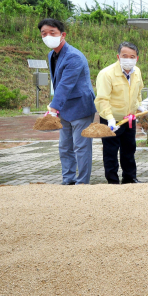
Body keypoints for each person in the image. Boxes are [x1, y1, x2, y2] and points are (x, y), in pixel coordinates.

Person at [39, 18, 96, 185]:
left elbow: (65, 85)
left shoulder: (74, 57)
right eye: (44, 34)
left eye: (52, 33)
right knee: (64, 147)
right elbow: (57, 84)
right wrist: (56, 106)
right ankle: (68, 180)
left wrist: (53, 108)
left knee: (81, 147)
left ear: (62, 35)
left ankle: (82, 182)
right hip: (64, 108)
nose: (48, 36)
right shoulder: (52, 55)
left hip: (80, 107)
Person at [94, 42, 144, 184]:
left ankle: (130, 178)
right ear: (118, 56)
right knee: (110, 151)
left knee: (129, 149)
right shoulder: (106, 74)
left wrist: (138, 106)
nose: (128, 59)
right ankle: (112, 181)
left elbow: (138, 91)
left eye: (132, 56)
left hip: (129, 118)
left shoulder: (137, 72)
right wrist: (109, 118)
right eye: (125, 56)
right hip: (111, 120)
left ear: (137, 58)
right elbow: (102, 99)